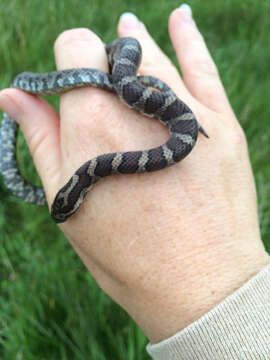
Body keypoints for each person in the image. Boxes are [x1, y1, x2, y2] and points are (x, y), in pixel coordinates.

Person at [0, 4, 269, 359]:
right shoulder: (93, 172)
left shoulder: (98, 171)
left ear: (81, 194)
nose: (66, 209)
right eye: (65, 206)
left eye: (67, 207)